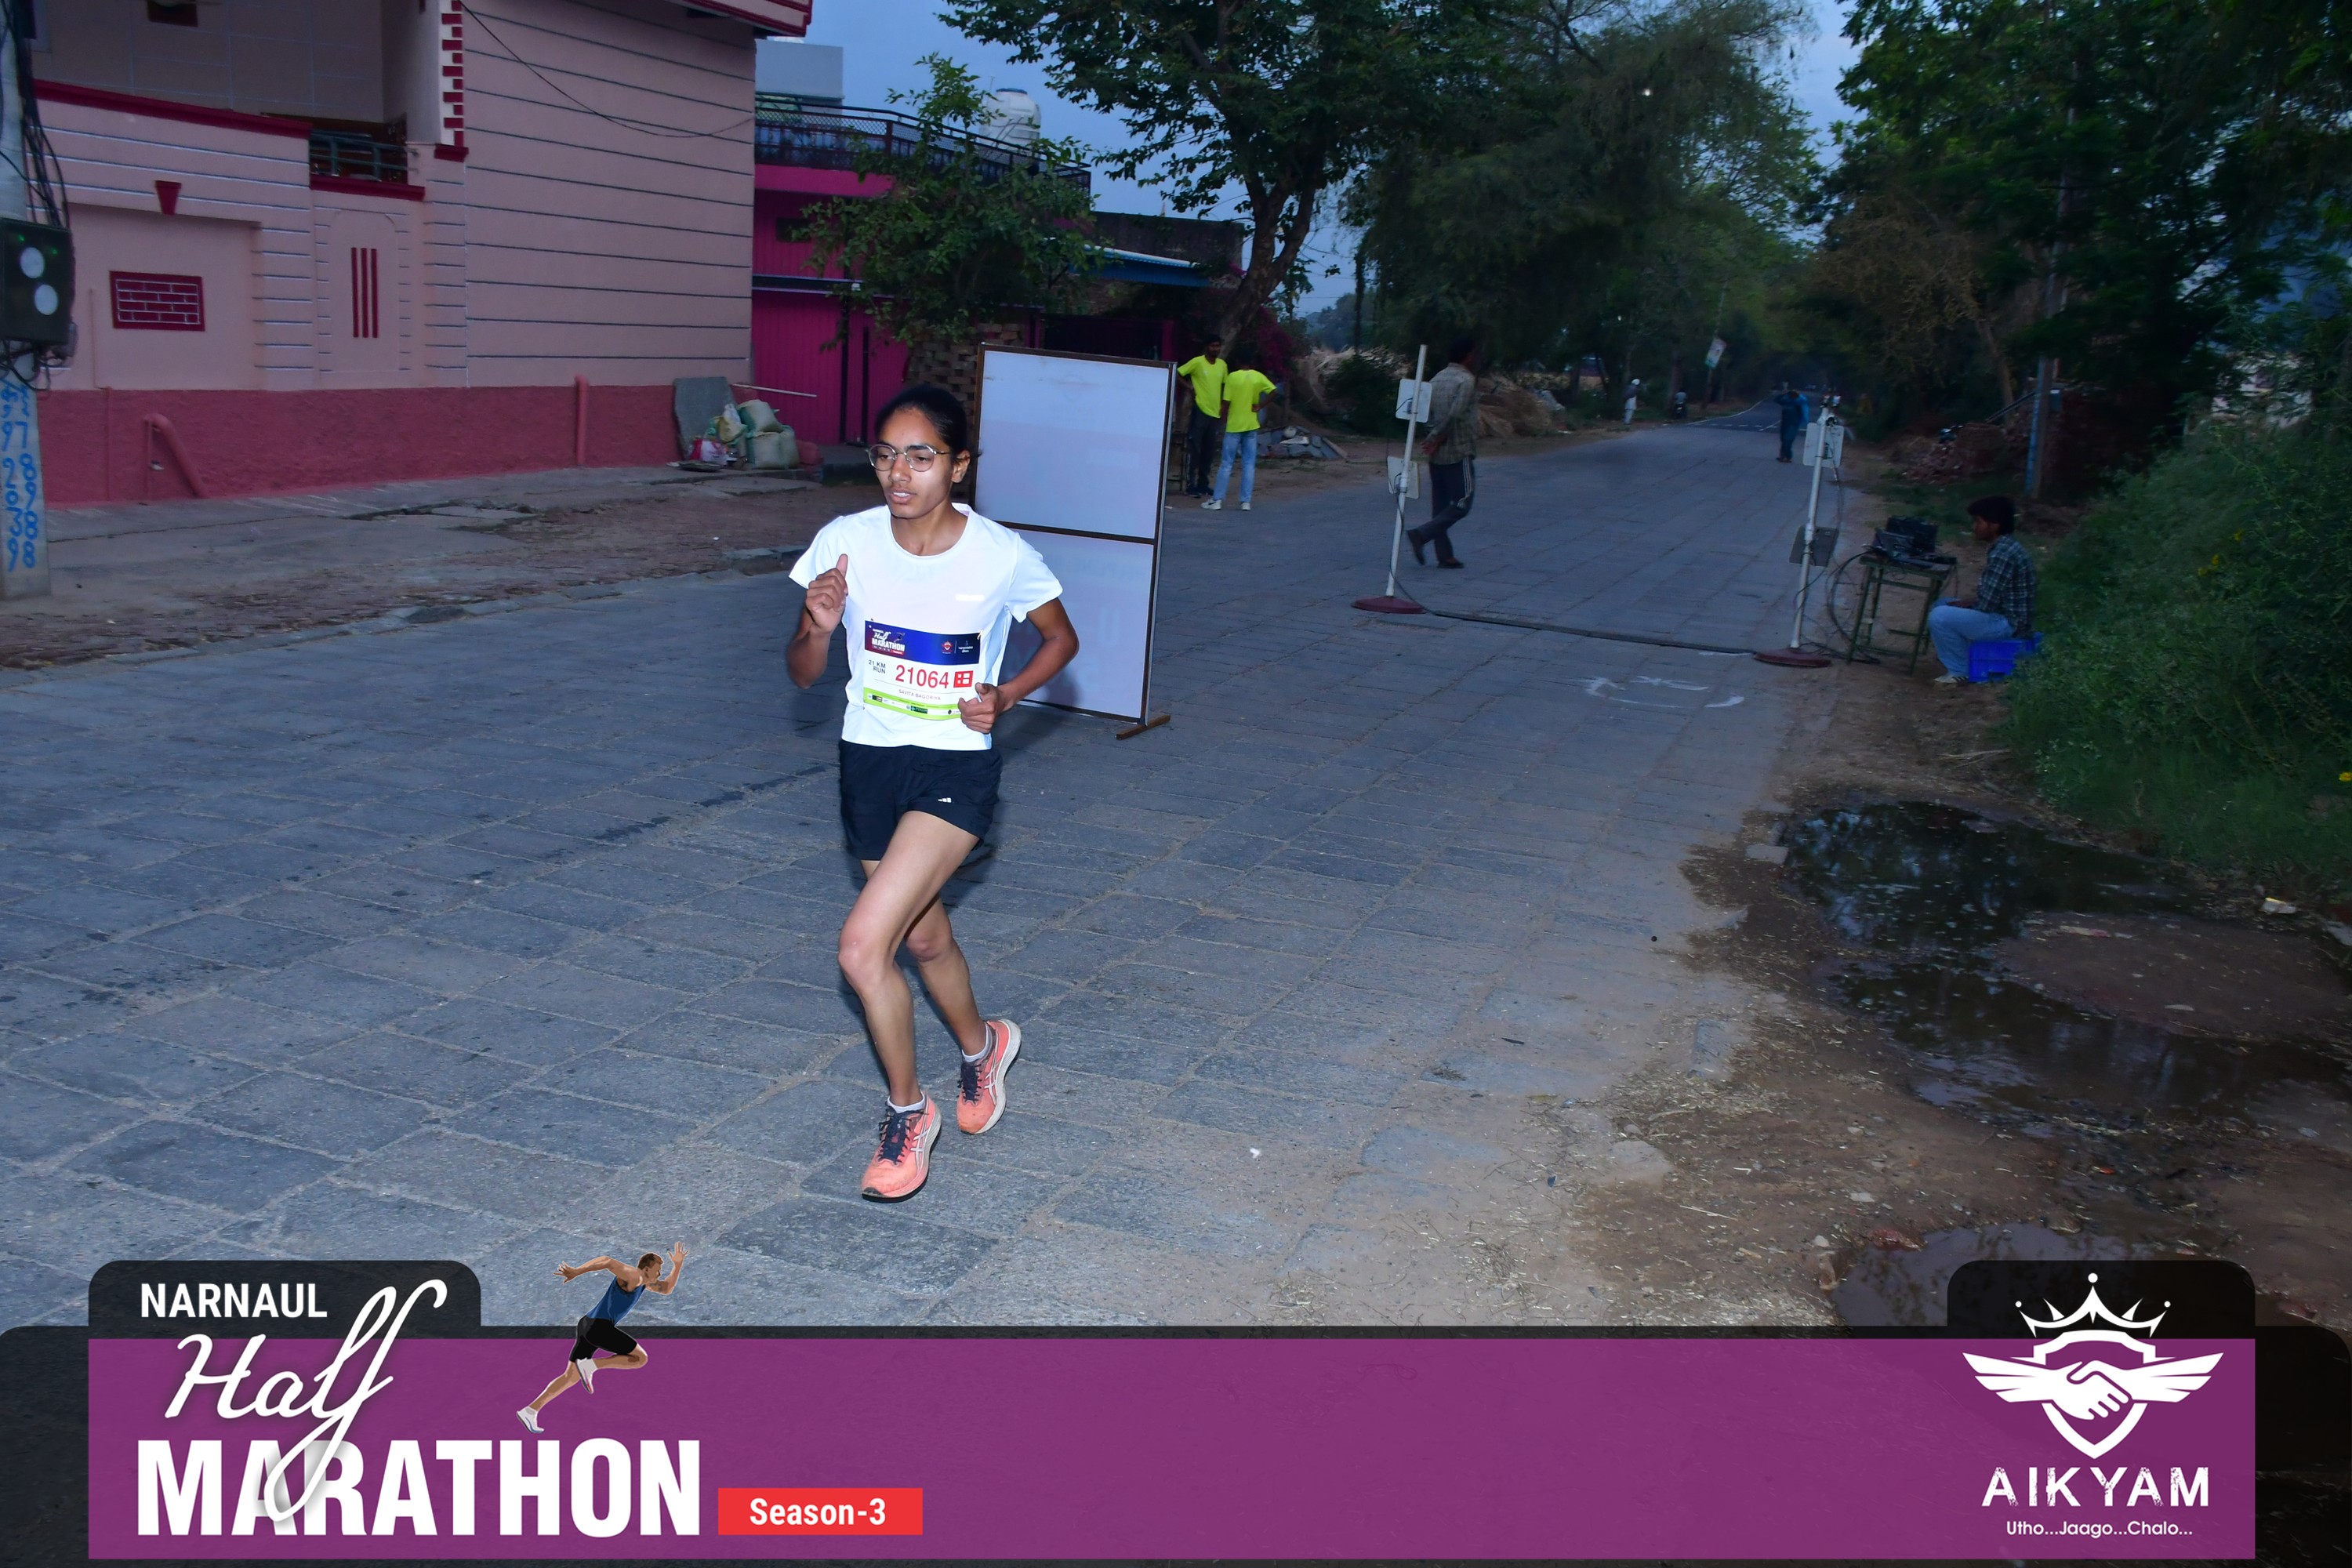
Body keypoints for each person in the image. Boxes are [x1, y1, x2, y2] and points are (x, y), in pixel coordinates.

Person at [787, 384, 1080, 1200]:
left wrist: (1007, 694)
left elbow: (1061, 638)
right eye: (886, 454)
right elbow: (803, 674)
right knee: (921, 938)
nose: (899, 472)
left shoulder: (999, 553)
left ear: (958, 465)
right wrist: (817, 627)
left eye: (921, 456)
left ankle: (908, 1114)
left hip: (954, 766)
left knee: (863, 946)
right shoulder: (844, 542)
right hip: (870, 762)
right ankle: (985, 1046)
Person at [517, 1245, 685, 1432]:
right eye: (658, 1270)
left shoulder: (645, 1283)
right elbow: (607, 1261)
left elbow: (667, 1288)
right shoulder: (635, 1276)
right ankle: (591, 1366)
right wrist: (577, 1271)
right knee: (640, 1358)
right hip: (599, 1328)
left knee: (570, 1377)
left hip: (587, 1325)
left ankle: (530, 1410)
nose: (660, 1274)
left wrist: (677, 1265)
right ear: (646, 1269)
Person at [1926, 495, 2035, 685]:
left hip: (2009, 625)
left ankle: (1960, 671)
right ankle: (1961, 658)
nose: (1974, 526)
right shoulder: (2006, 546)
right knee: (1942, 604)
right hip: (2007, 616)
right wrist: (1965, 605)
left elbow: (1986, 605)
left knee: (1939, 616)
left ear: (1994, 525)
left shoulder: (2003, 553)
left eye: (1978, 521)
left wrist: (1966, 606)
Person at [1406, 336, 1480, 568]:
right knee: (1463, 501)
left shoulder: (1436, 379)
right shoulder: (1466, 381)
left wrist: (1431, 438)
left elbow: (1425, 413)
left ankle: (1445, 555)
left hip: (1436, 454)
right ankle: (1421, 534)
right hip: (1458, 450)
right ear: (1469, 355)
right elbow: (1455, 415)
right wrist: (1437, 438)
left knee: (1440, 505)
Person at [1203, 350, 1276, 512]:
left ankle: (1217, 500)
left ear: (1237, 362)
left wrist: (1219, 419)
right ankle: (1245, 501)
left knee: (1226, 464)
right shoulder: (1258, 377)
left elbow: (1226, 402)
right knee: (1249, 465)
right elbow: (1274, 391)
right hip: (1251, 425)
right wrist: (1260, 406)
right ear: (1252, 362)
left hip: (1234, 426)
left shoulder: (1233, 377)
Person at [1173, 336, 1227, 496]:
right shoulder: (1197, 362)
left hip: (1215, 412)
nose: (1216, 349)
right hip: (1200, 410)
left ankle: (1204, 483)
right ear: (1206, 347)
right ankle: (1191, 484)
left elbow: (1225, 386)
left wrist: (1223, 406)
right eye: (1213, 346)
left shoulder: (1222, 365)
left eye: (1218, 346)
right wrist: (1189, 387)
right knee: (1195, 448)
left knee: (1209, 450)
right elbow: (1177, 373)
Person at [1774, 381, 1805, 461]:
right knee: (1783, 440)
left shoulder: (1798, 404)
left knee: (1788, 440)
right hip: (1785, 424)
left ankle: (1787, 456)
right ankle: (1784, 456)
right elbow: (1776, 400)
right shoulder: (1786, 402)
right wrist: (1783, 394)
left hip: (1793, 425)